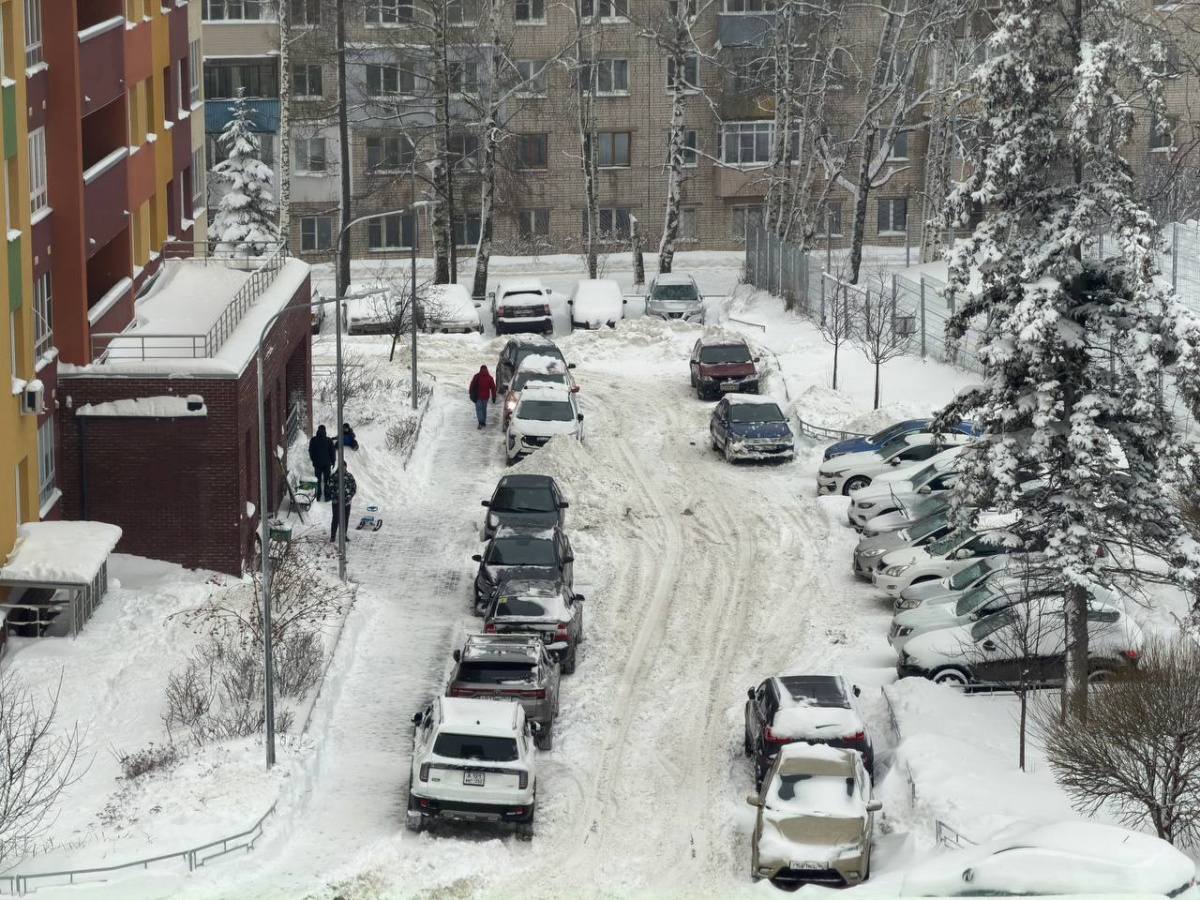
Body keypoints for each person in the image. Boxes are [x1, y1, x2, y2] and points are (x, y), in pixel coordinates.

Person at [307, 425, 336, 501]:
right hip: (327, 464)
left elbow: (311, 451)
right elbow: (332, 452)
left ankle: (318, 496)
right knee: (327, 480)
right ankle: (327, 496)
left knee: (318, 480)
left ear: (318, 430)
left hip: (317, 464)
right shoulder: (329, 440)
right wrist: (333, 461)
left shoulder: (313, 440)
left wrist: (313, 460)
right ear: (325, 430)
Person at [330, 467, 358, 543]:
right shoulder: (334, 476)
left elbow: (354, 488)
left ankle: (343, 535)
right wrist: (334, 497)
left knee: (345, 519)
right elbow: (330, 488)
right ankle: (333, 535)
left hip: (346, 502)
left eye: (344, 467)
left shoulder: (349, 476)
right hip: (336, 502)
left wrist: (349, 497)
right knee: (336, 518)